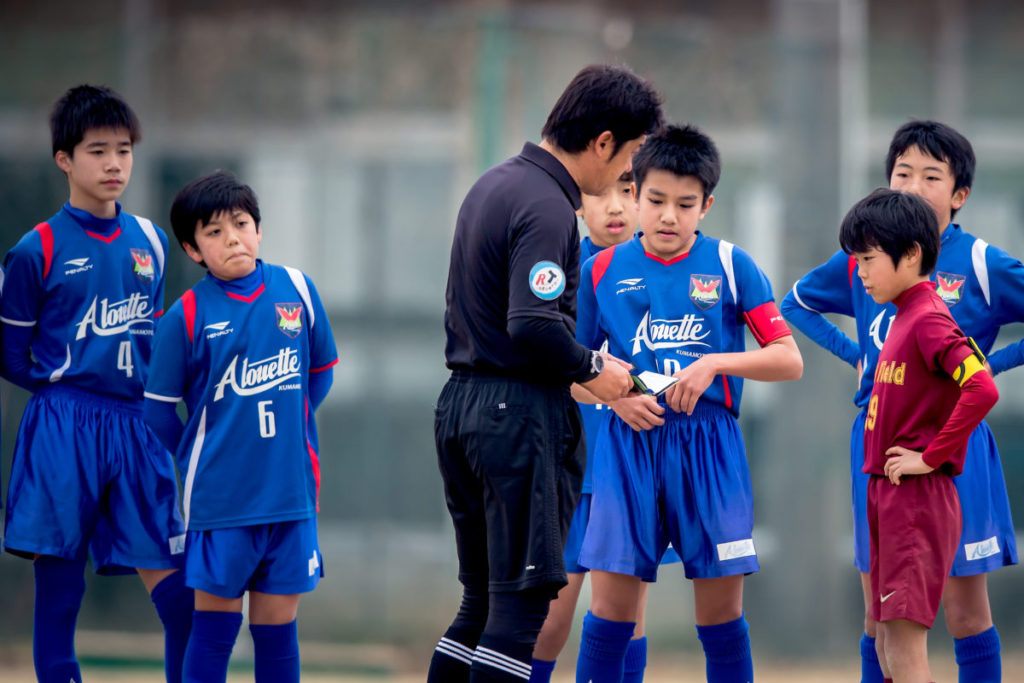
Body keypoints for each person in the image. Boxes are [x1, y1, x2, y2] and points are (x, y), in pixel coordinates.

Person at [429, 63, 663, 683]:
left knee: (478, 607)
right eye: (630, 158)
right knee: (517, 615)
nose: (625, 177)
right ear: (605, 141)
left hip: (461, 406)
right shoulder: (549, 205)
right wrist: (596, 368)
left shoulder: (495, 183)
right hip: (514, 420)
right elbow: (531, 323)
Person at [782, 120, 1018, 682]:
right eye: (902, 172)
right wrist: (854, 355)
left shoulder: (979, 263)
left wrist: (990, 364)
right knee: (880, 614)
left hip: (949, 443)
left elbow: (976, 383)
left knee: (964, 610)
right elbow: (794, 304)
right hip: (879, 440)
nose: (912, 185)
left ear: (959, 195)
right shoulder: (868, 257)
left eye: (930, 176)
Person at [573, 124, 803, 682]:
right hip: (630, 444)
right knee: (610, 615)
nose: (669, 216)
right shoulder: (600, 269)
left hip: (711, 447)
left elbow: (788, 359)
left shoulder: (731, 264)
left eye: (685, 204)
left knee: (721, 618)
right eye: (655, 200)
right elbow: (569, 370)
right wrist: (616, 401)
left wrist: (715, 363)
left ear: (707, 205)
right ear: (634, 195)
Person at [0, 84, 193, 683]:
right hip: (63, 424)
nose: (114, 164)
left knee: (182, 599)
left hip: (136, 426)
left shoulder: (153, 243)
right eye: (97, 151)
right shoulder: (38, 249)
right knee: (60, 599)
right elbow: (11, 354)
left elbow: (156, 344)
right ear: (65, 159)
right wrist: (66, 388)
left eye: (125, 151)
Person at [143, 171, 338, 682]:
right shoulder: (186, 316)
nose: (232, 238)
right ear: (192, 249)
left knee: (277, 638)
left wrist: (286, 431)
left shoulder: (296, 289)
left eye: (242, 223)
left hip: (290, 499)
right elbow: (159, 412)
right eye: (213, 231)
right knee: (212, 636)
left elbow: (319, 377)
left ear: (259, 229)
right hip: (222, 504)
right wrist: (203, 454)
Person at [838, 187, 999, 682]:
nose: (859, 271)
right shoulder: (901, 315)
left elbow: (982, 387)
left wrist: (931, 455)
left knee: (905, 647)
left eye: (867, 259)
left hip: (916, 501)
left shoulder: (928, 318)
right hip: (887, 496)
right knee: (885, 639)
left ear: (910, 255)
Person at [530, 171, 681, 683]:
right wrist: (614, 399)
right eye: (601, 194)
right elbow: (544, 360)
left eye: (629, 193)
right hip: (567, 466)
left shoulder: (665, 270)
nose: (616, 206)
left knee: (625, 619)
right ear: (577, 204)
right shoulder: (559, 271)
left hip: (630, 468)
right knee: (549, 620)